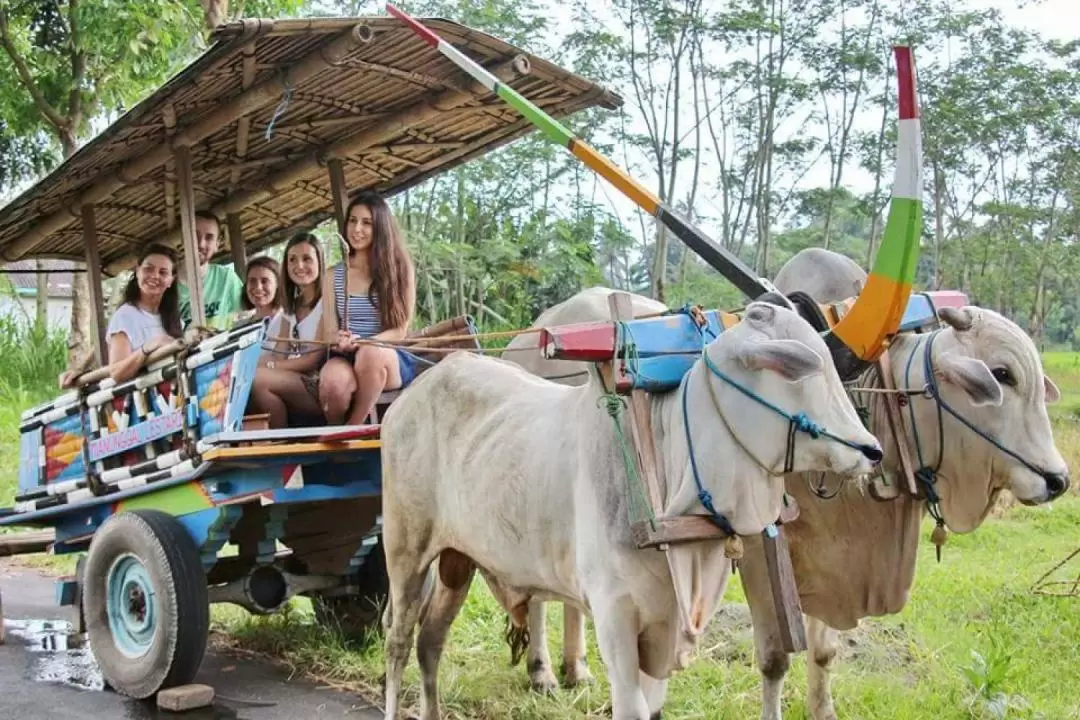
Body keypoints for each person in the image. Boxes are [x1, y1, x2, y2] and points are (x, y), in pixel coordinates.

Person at [319, 190, 419, 426]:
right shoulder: (332, 275)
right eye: (352, 221)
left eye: (366, 223)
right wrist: (339, 338)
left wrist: (366, 342)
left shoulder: (400, 269)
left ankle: (352, 428)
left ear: (381, 228)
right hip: (345, 354)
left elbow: (400, 331)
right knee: (333, 384)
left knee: (370, 354)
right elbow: (329, 331)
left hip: (387, 355)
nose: (356, 229)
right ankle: (335, 434)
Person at [59, 243, 183, 387]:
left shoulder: (173, 317)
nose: (155, 276)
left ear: (171, 280)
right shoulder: (125, 316)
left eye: (163, 272)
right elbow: (116, 372)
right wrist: (148, 348)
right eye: (148, 269)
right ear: (137, 271)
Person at [248, 232, 329, 428]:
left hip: (319, 383)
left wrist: (268, 368)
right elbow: (280, 354)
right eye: (292, 260)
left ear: (319, 261)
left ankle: (281, 440)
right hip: (294, 379)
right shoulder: (289, 308)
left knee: (258, 378)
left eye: (306, 259)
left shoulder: (326, 302)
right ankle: (280, 442)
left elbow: (313, 360)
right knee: (245, 380)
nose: (299, 266)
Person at [178, 210, 245, 330]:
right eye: (195, 235)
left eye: (209, 238)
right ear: (183, 238)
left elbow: (246, 316)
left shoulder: (226, 278)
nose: (201, 244)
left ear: (217, 245)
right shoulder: (166, 284)